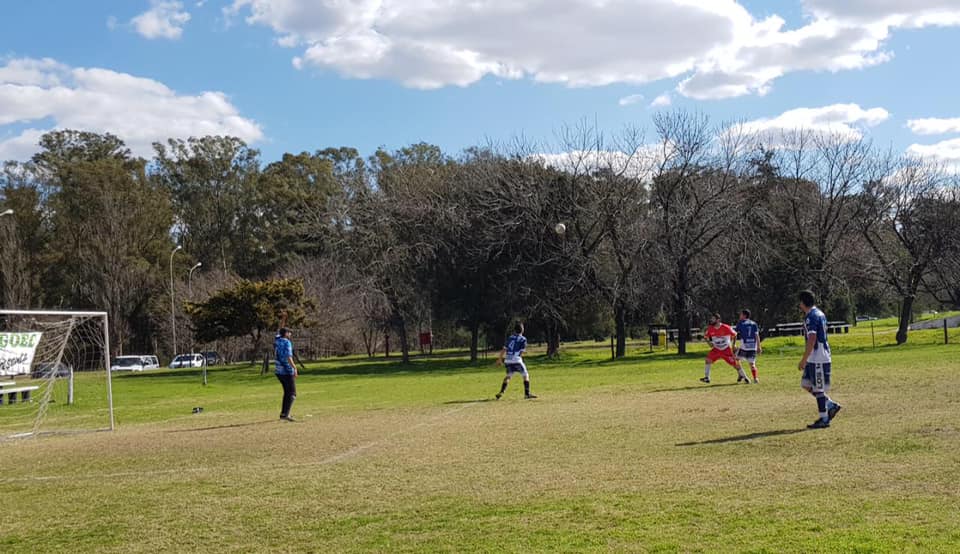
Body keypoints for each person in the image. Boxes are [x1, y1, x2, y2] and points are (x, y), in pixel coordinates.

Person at [798, 290, 842, 429]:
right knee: (806, 384)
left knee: (818, 388)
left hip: (818, 356)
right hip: (815, 356)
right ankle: (830, 405)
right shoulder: (819, 313)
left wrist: (804, 359)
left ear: (803, 302)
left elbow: (812, 338)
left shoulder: (811, 316)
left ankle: (824, 419)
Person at [700, 313, 751, 384]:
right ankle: (707, 378)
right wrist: (709, 343)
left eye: (713, 319)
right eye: (711, 319)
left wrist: (733, 345)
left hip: (726, 349)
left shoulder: (726, 327)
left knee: (735, 364)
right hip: (716, 349)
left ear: (718, 320)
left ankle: (745, 377)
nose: (711, 320)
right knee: (708, 360)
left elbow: (735, 334)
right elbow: (705, 337)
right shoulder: (710, 328)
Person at [495, 322, 537, 400]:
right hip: (516, 360)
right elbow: (521, 352)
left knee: (508, 376)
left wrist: (499, 359)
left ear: (514, 330)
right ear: (522, 330)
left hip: (508, 360)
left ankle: (501, 392)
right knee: (525, 375)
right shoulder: (523, 339)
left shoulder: (510, 338)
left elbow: (504, 349)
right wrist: (522, 354)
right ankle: (527, 394)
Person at [274, 327, 298, 421]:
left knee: (287, 392)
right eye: (289, 332)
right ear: (286, 333)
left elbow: (279, 330)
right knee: (292, 393)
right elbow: (289, 357)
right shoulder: (287, 342)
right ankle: (286, 415)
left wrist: (283, 318)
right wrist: (294, 367)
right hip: (287, 371)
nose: (290, 334)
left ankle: (283, 414)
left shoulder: (278, 340)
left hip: (278, 371)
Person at [735, 309, 762, 383]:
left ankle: (741, 374)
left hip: (744, 347)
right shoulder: (754, 323)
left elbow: (735, 334)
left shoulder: (741, 323)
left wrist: (734, 343)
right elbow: (757, 335)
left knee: (736, 360)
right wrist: (759, 346)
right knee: (752, 364)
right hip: (753, 346)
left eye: (741, 314)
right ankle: (755, 378)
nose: (740, 316)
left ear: (744, 315)